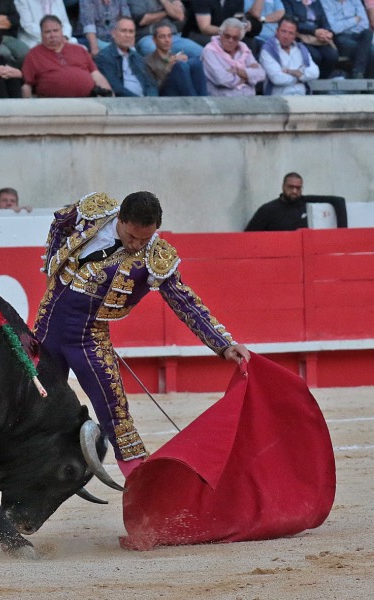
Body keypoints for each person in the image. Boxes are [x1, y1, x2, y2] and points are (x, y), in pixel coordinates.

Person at [34, 190, 250, 477]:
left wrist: (223, 344)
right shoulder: (94, 212)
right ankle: (35, 471)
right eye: (132, 237)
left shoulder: (155, 258)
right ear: (120, 219)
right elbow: (60, 222)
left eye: (144, 239)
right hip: (45, 328)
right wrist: (54, 267)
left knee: (115, 412)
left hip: (88, 339)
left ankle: (141, 480)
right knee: (33, 403)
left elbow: (184, 301)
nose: (136, 245)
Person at [22, 15, 114, 97]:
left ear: (62, 31)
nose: (52, 35)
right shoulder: (33, 54)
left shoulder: (79, 49)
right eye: (47, 32)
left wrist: (110, 99)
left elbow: (96, 75)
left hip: (88, 101)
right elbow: (27, 85)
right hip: (52, 106)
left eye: (55, 30)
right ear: (41, 34)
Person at [245, 172, 347, 230]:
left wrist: (341, 234)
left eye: (298, 188)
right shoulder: (268, 210)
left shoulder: (307, 202)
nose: (294, 191)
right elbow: (248, 237)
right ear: (283, 187)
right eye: (291, 187)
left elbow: (339, 201)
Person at [95, 16, 160, 96]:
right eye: (123, 31)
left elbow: (151, 85)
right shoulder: (104, 57)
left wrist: (152, 100)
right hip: (124, 104)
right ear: (113, 33)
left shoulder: (137, 58)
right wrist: (142, 101)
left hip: (147, 103)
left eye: (131, 31)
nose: (128, 35)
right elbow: (116, 88)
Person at [201, 17, 265, 96]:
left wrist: (238, 71)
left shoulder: (244, 49)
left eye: (235, 38)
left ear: (240, 38)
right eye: (227, 36)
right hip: (223, 101)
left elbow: (261, 74)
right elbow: (222, 79)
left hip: (249, 99)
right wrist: (248, 77)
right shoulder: (209, 51)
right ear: (220, 34)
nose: (230, 40)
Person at [144, 20, 208, 95]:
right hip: (165, 94)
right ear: (154, 40)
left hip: (181, 91)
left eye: (169, 36)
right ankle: (196, 102)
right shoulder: (148, 61)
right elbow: (153, 89)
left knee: (195, 63)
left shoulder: (175, 56)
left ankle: (203, 98)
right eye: (162, 37)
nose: (167, 40)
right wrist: (168, 68)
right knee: (180, 66)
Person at [260, 17, 319, 95]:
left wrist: (294, 73)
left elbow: (315, 72)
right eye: (283, 31)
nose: (286, 36)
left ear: (295, 35)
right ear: (277, 31)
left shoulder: (301, 49)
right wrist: (301, 77)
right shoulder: (267, 50)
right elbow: (277, 79)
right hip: (279, 100)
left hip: (303, 98)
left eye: (291, 33)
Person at [282, 0, 338, 79]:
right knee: (315, 56)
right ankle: (311, 82)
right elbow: (292, 22)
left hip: (319, 37)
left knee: (332, 56)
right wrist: (314, 31)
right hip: (301, 37)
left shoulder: (316, 2)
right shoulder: (289, 2)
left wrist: (328, 32)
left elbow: (324, 20)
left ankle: (321, 82)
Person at [128, 0, 204, 57]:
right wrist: (167, 12)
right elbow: (142, 20)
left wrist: (164, 1)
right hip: (148, 38)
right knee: (156, 54)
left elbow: (180, 15)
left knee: (202, 54)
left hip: (172, 37)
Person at [320, 0, 372, 79]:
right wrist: (355, 20)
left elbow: (365, 24)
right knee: (370, 51)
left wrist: (343, 24)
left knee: (368, 33)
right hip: (341, 37)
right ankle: (358, 73)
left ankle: (358, 73)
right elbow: (334, 28)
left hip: (359, 36)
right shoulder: (325, 2)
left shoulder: (355, 1)